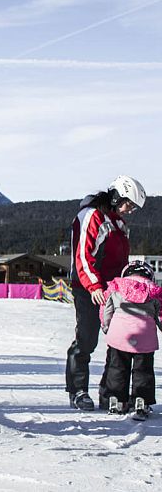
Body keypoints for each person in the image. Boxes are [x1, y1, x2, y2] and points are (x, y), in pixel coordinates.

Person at [66, 175, 146, 411]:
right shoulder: (92, 216)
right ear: (116, 197)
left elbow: (119, 261)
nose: (129, 211)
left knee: (118, 341)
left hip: (113, 291)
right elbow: (83, 256)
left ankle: (110, 392)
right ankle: (78, 391)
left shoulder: (117, 223)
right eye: (128, 204)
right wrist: (95, 287)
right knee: (87, 339)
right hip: (89, 288)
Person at [99, 261, 162, 417]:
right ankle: (141, 400)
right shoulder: (154, 291)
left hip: (120, 335)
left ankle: (116, 400)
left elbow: (106, 310)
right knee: (143, 370)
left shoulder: (116, 287)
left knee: (117, 368)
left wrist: (106, 327)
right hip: (145, 337)